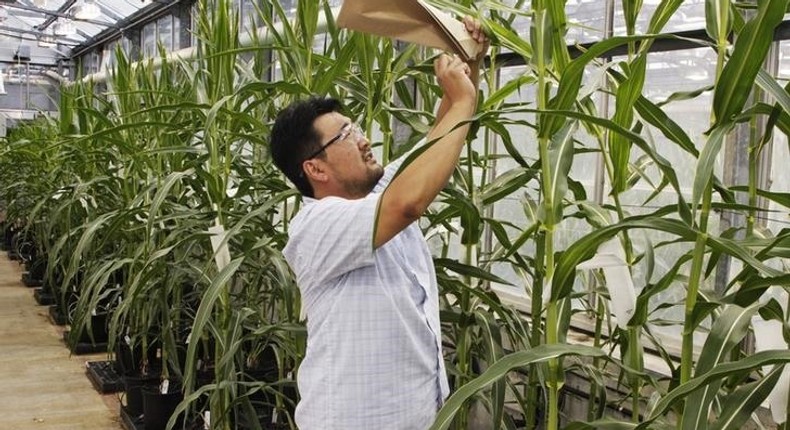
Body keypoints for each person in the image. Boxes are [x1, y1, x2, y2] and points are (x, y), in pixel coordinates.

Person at [269, 16, 488, 430]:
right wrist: (462, 103)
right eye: (347, 135)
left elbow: (437, 139)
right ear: (315, 169)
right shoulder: (318, 225)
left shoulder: (374, 193)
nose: (364, 138)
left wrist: (466, 61)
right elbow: (408, 203)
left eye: (354, 127)